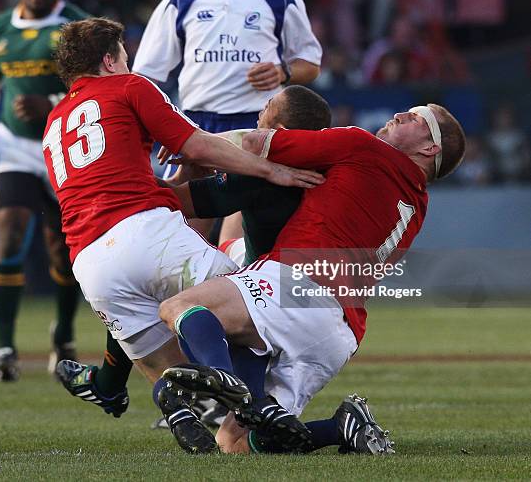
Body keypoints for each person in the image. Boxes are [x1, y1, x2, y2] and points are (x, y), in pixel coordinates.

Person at [42, 17, 324, 453]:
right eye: (123, 53)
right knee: (248, 310)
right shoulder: (130, 86)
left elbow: (105, 182)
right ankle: (255, 407)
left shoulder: (53, 123)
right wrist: (272, 169)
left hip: (89, 262)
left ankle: (172, 405)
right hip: (143, 230)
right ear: (108, 59)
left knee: (165, 364)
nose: (128, 61)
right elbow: (196, 145)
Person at [159, 103, 466, 454]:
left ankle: (227, 381)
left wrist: (192, 142)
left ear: (430, 148)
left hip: (299, 284)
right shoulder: (417, 204)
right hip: (338, 334)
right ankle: (340, 428)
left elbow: (255, 143)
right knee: (235, 442)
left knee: (179, 305)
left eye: (414, 118)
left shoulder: (364, 146)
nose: (398, 116)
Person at [131, 0, 321, 241]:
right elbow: (146, 77)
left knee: (235, 243)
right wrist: (162, 126)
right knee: (182, 245)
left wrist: (283, 73)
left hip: (255, 130)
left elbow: (311, 63)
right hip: (195, 129)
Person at [0, 0, 89, 381]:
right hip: (13, 147)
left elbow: (98, 88)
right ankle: (4, 349)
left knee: (64, 250)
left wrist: (50, 104)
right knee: (10, 232)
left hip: (65, 148)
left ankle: (65, 334)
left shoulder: (77, 28)